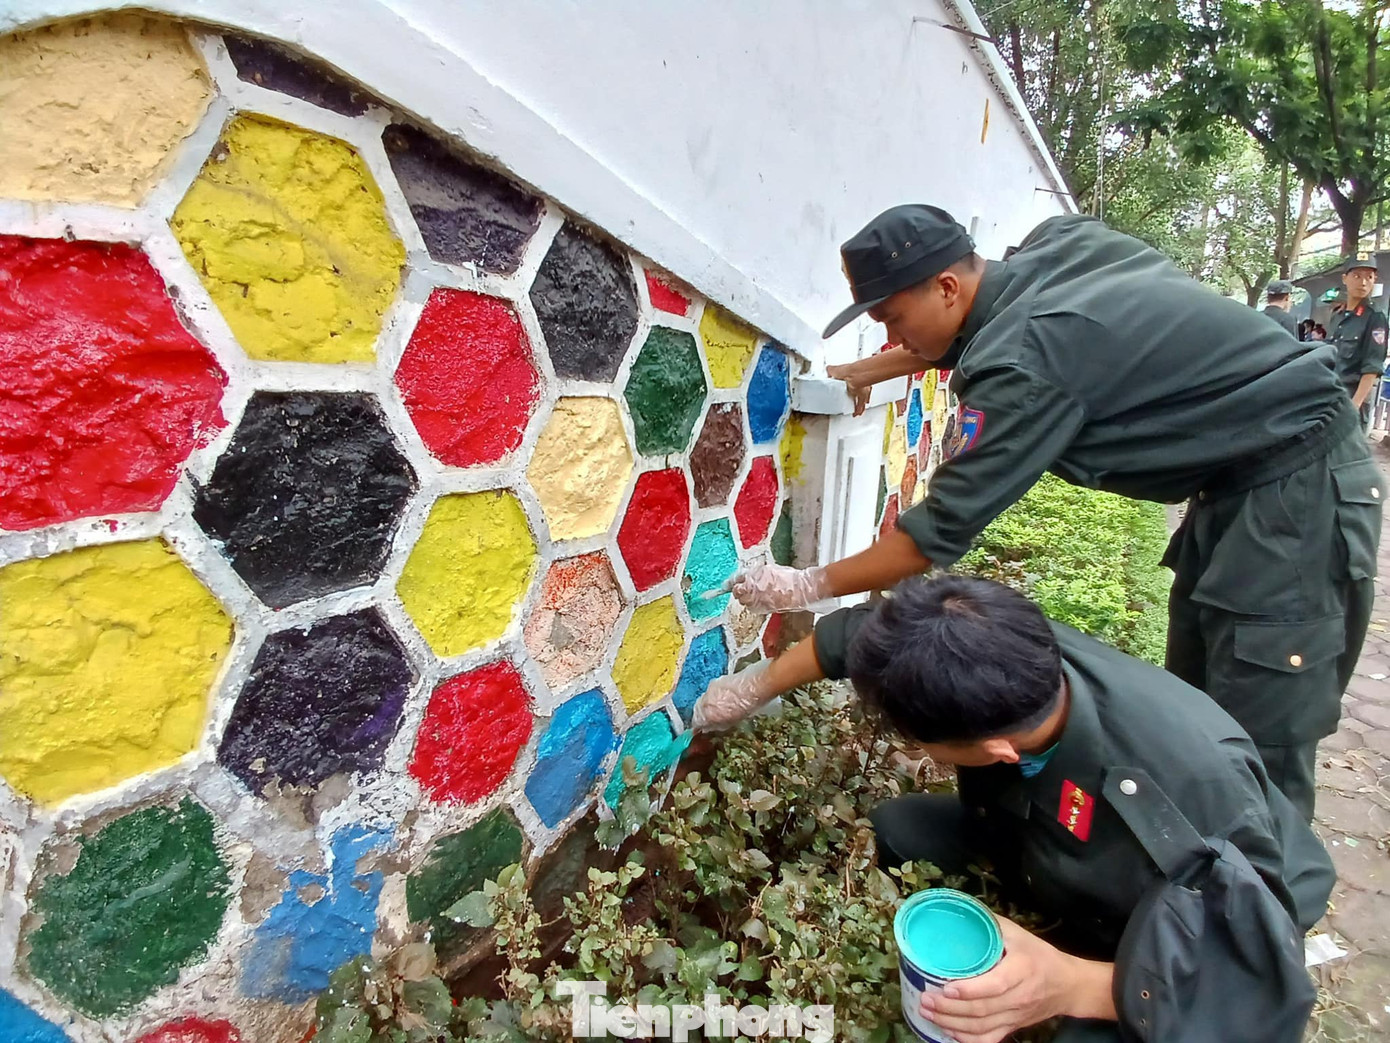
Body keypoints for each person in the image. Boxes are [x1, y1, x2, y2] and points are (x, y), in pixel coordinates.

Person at [713, 205, 1384, 820]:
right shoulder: (1054, 247)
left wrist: (802, 584)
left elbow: (932, 536)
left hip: (1297, 497)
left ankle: (1248, 929)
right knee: (1199, 709)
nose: (890, 332)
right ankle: (1180, 877)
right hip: (1242, 482)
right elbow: (957, 334)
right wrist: (863, 373)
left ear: (946, 286)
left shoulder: (1024, 362)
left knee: (1257, 735)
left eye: (890, 317)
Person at [695, 575, 1335, 1043]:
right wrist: (751, 689)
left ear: (997, 748)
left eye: (925, 744)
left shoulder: (1187, 788)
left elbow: (1259, 989)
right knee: (899, 828)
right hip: (1042, 837)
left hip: (1187, 912)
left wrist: (1073, 985)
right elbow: (859, 636)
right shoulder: (990, 642)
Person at [1327, 256, 1389, 428]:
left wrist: (1355, 405)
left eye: (1369, 277)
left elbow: (1372, 366)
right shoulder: (1337, 316)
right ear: (1344, 278)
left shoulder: (1375, 317)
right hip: (1329, 396)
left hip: (1352, 399)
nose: (1363, 282)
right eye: (1357, 276)